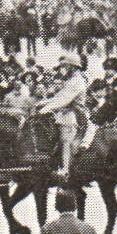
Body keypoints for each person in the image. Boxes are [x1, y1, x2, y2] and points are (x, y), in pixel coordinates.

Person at [37, 52, 90, 181]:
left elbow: (64, 100)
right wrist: (42, 103)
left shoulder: (77, 81)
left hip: (75, 114)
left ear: (72, 67)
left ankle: (65, 169)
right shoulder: (71, 80)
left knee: (65, 137)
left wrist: (45, 109)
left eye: (65, 66)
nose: (63, 69)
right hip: (65, 112)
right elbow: (58, 97)